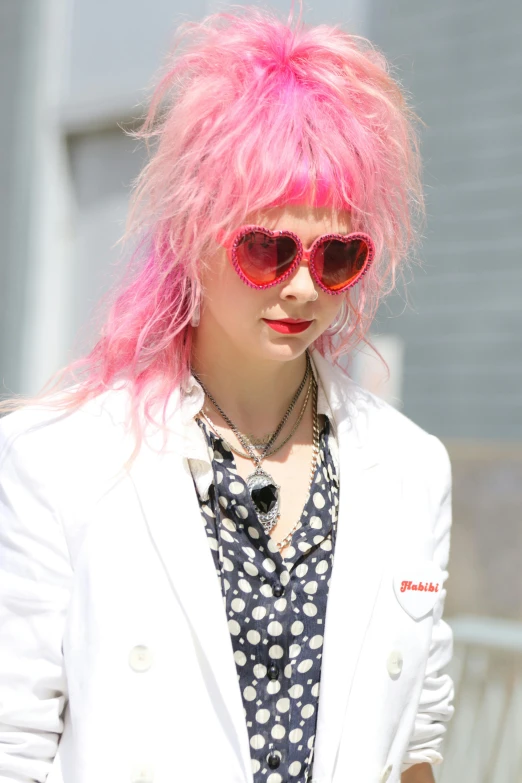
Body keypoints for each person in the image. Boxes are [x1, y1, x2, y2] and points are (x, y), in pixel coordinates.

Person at [0, 7, 454, 783]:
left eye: (338, 254)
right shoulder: (61, 460)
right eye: (267, 247)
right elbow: (14, 741)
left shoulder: (412, 468)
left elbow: (417, 736)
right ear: (192, 234)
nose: (304, 284)